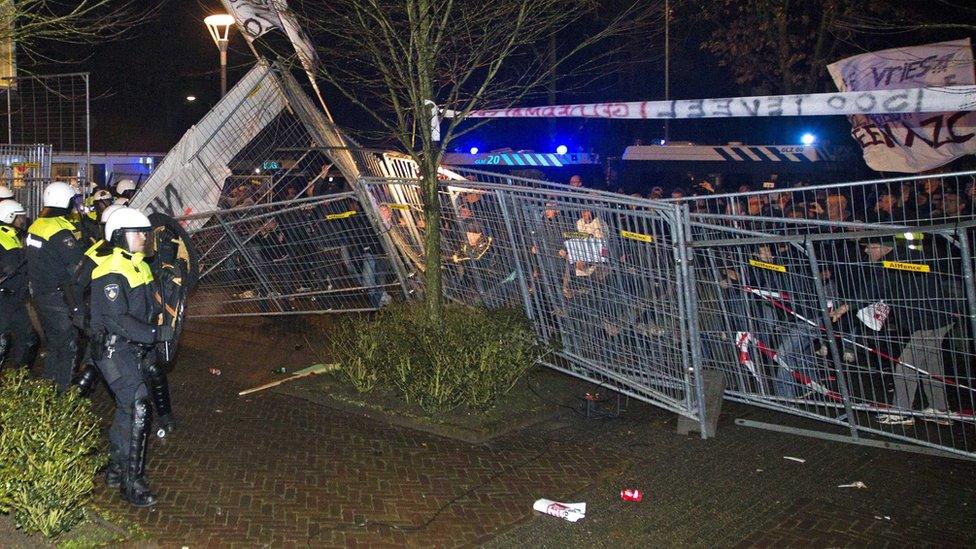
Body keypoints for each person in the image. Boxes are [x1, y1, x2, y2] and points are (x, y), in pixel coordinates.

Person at [89, 207, 172, 507]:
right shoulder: (110, 269)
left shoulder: (139, 265)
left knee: (127, 409)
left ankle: (115, 467)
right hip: (114, 348)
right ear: (121, 236)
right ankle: (131, 482)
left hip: (131, 348)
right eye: (139, 233)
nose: (143, 238)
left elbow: (150, 303)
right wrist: (154, 334)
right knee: (138, 406)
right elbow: (117, 319)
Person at [25, 182, 85, 391]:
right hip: (59, 298)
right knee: (68, 347)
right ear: (64, 202)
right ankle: (62, 396)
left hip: (40, 295)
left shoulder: (36, 225)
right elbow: (78, 263)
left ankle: (47, 390)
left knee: (53, 345)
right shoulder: (60, 231)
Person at [0, 200, 38, 369]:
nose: (24, 220)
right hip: (5, 298)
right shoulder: (3, 238)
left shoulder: (12, 236)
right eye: (20, 217)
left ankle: (18, 380)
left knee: (29, 339)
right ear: (10, 217)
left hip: (16, 298)